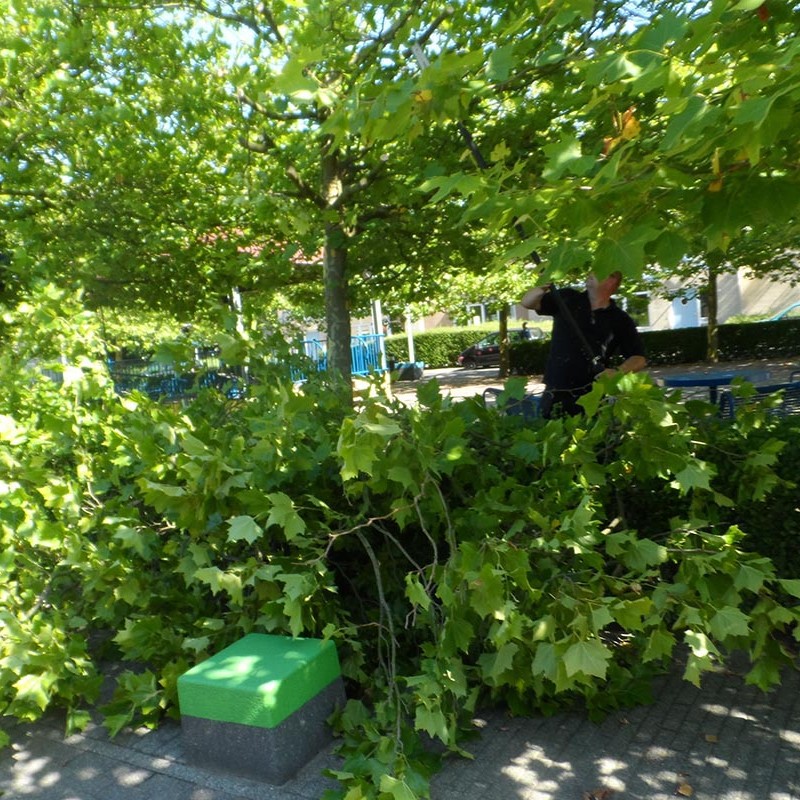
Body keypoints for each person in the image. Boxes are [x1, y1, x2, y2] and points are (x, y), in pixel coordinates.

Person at [521, 271, 647, 418]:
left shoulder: (620, 319)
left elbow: (639, 357)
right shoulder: (567, 298)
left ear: (612, 281)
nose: (591, 273)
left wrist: (617, 372)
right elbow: (527, 302)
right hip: (557, 389)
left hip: (593, 393)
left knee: (590, 437)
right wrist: (545, 282)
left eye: (600, 269)